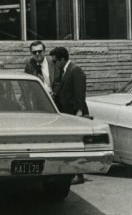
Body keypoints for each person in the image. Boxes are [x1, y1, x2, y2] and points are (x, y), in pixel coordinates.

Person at [51, 46, 89, 185]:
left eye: (55, 61)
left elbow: (80, 93)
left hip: (74, 113)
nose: (54, 64)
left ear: (62, 59)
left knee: (76, 145)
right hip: (66, 113)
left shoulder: (75, 71)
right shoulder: (64, 71)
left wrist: (79, 111)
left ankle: (79, 174)